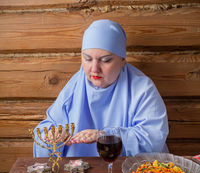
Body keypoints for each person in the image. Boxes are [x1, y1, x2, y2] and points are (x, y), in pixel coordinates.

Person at [33, 19, 169, 157]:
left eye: (105, 60)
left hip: (127, 172)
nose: (94, 69)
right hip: (79, 172)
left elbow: (152, 138)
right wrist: (51, 135)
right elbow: (47, 127)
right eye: (87, 59)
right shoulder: (75, 85)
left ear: (122, 61)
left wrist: (105, 136)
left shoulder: (143, 89)